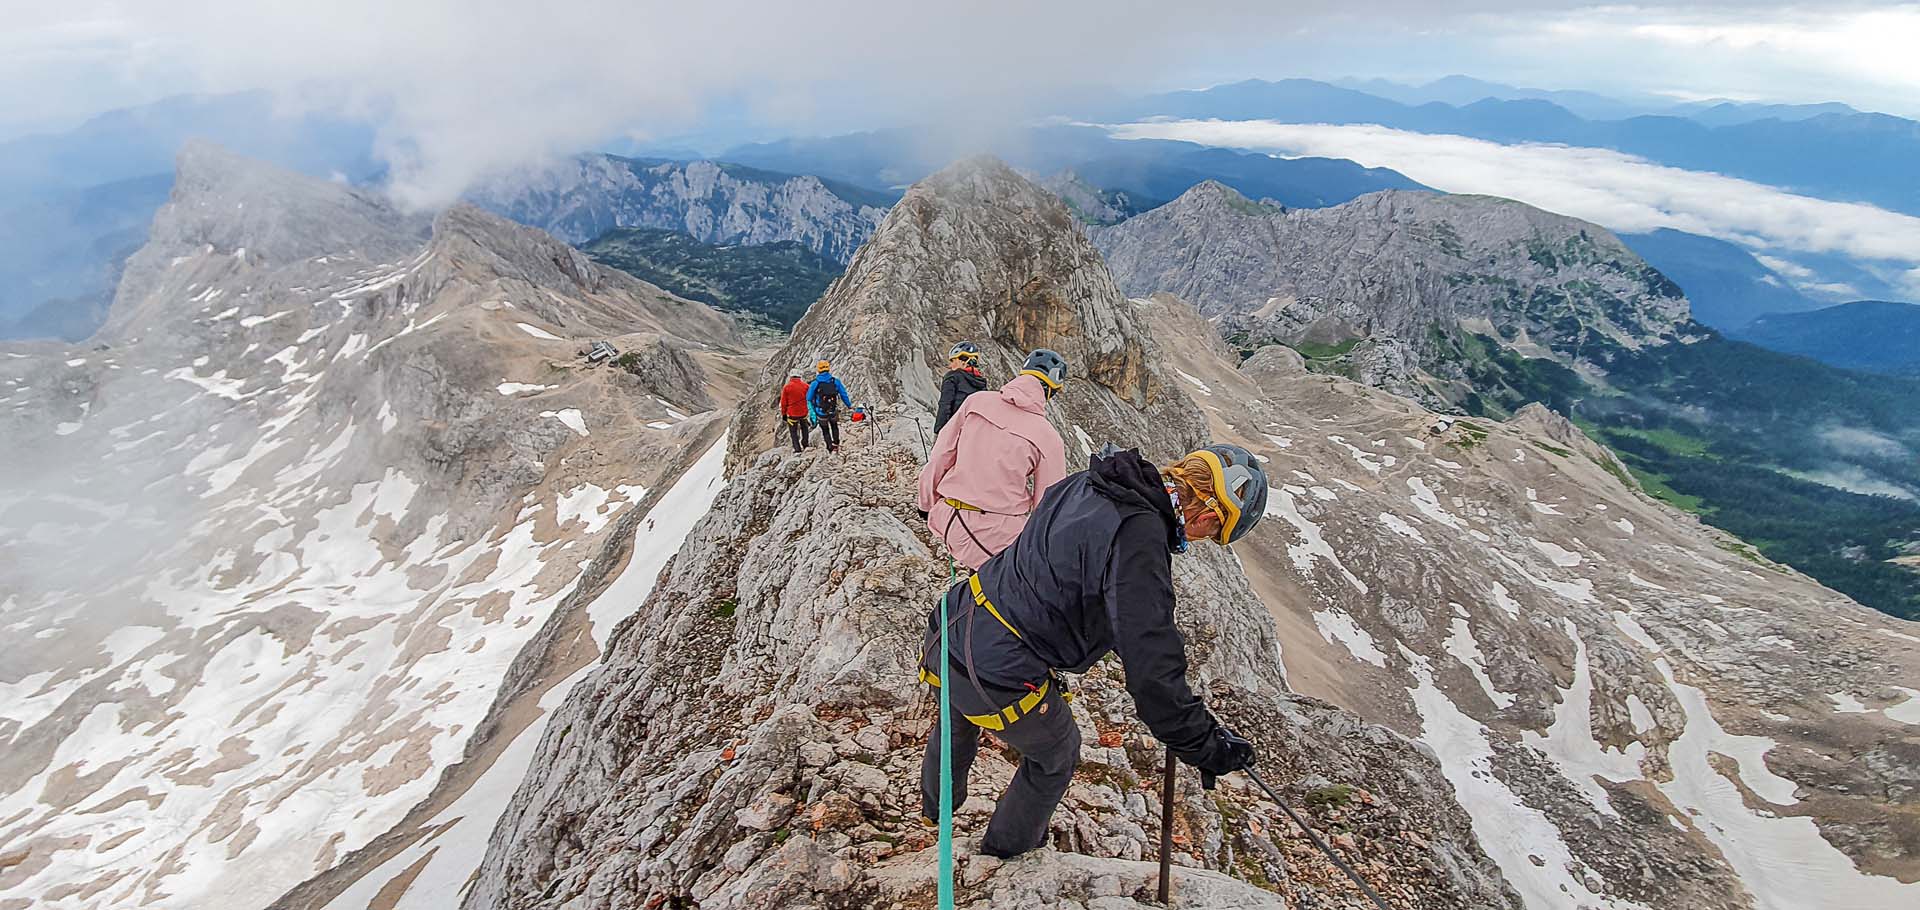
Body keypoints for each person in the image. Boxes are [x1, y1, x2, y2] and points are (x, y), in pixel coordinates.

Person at [918, 443, 1270, 860]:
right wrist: (1204, 745)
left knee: (957, 713)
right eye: (1211, 533)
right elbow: (1152, 667)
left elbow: (1067, 565)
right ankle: (1005, 855)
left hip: (956, 621)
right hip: (998, 665)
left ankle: (935, 812)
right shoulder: (1140, 535)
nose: (1201, 538)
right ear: (1210, 515)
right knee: (1057, 753)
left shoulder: (1096, 479)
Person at [917, 349, 1069, 569]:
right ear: (1050, 392)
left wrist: (926, 503)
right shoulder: (1049, 439)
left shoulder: (975, 403)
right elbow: (1047, 507)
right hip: (998, 538)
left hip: (949, 520)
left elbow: (941, 455)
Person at [933, 341, 988, 435]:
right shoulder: (981, 383)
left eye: (953, 360)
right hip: (974, 433)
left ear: (962, 360)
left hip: (954, 430)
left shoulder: (952, 377)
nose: (950, 365)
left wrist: (939, 431)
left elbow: (945, 405)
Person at [808, 360, 853, 453]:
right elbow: (843, 394)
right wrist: (849, 405)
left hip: (821, 411)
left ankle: (829, 447)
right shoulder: (835, 381)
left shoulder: (815, 383)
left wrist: (812, 412)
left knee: (825, 430)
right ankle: (836, 443)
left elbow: (808, 397)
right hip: (833, 410)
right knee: (834, 426)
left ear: (818, 370)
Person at [777, 370, 812, 453]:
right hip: (803, 412)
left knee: (793, 431)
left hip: (792, 414)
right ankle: (805, 443)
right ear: (800, 376)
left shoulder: (787, 387)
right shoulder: (806, 386)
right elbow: (810, 398)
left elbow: (783, 403)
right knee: (804, 427)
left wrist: (784, 414)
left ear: (791, 377)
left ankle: (797, 448)